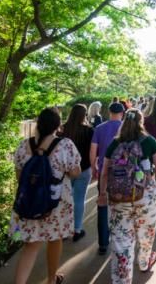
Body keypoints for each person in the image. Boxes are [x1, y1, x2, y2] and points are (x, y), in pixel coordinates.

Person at [11, 108, 81, 284]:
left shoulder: (23, 145)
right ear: (58, 125)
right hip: (55, 203)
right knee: (54, 239)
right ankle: (51, 279)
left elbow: (19, 177)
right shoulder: (65, 145)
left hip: (30, 202)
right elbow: (75, 172)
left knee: (31, 246)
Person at [99, 109, 156, 284]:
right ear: (141, 122)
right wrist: (147, 172)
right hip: (145, 197)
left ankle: (122, 279)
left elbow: (105, 172)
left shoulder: (115, 143)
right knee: (146, 233)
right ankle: (144, 262)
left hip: (119, 197)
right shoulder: (150, 141)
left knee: (121, 240)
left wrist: (101, 194)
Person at [89, 102, 125, 255]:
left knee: (102, 204)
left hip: (104, 171)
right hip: (122, 173)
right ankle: (121, 240)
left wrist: (93, 167)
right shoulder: (126, 128)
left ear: (109, 112)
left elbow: (93, 151)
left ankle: (103, 243)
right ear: (122, 113)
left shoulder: (99, 128)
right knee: (121, 206)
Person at [62, 104, 94, 242]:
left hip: (65, 171)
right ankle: (77, 230)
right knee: (79, 200)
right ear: (84, 115)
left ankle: (63, 230)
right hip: (84, 169)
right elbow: (92, 151)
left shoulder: (63, 129)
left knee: (64, 200)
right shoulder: (89, 131)